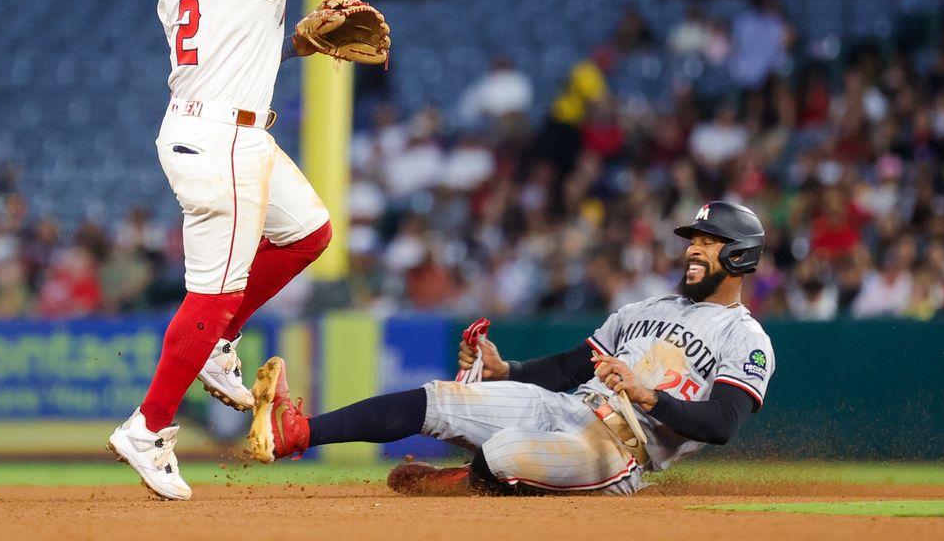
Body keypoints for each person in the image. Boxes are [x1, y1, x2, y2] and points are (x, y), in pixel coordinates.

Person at [106, 0, 447, 501]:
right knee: (211, 294)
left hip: (215, 125)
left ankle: (218, 341)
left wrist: (297, 42)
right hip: (223, 142)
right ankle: (148, 427)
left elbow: (227, 46)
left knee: (311, 232)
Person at [246, 201, 774, 496]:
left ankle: (456, 484)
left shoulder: (746, 339)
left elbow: (723, 424)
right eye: (693, 238)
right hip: (566, 406)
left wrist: (648, 396)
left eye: (709, 241)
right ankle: (297, 432)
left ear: (742, 256)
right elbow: (571, 366)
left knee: (502, 453)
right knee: (439, 398)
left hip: (618, 449)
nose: (694, 248)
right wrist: (505, 370)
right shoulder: (644, 309)